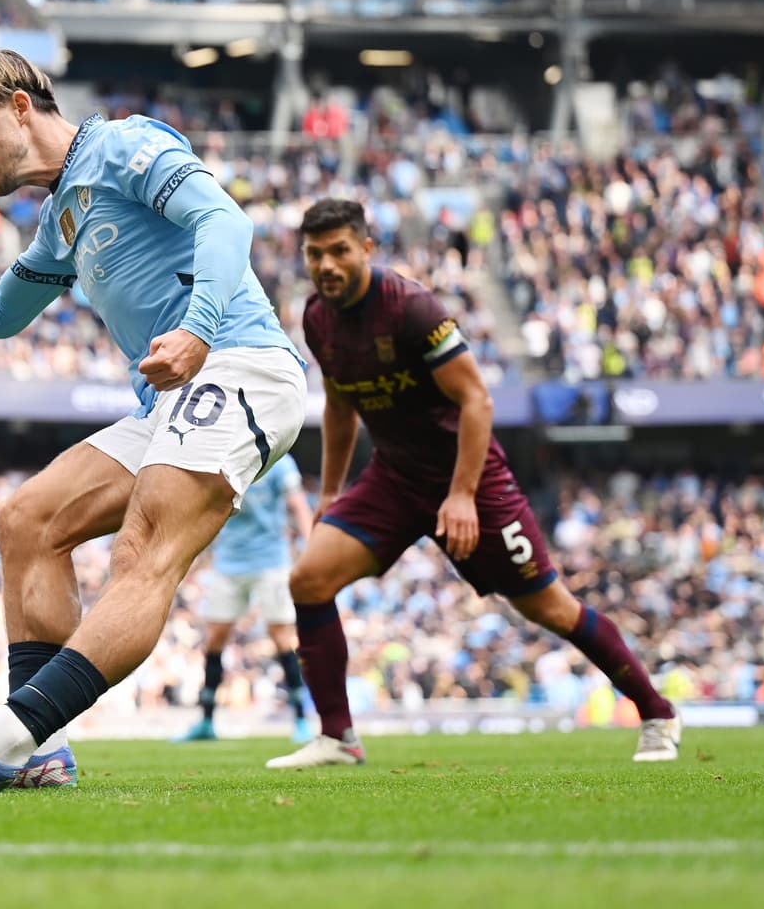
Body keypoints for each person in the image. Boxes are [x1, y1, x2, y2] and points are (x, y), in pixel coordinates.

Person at [0, 45, 306, 792]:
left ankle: (3, 737)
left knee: (143, 551)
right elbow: (1, 310)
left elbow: (224, 223)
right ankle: (39, 756)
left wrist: (201, 327)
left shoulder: (123, 145)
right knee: (28, 520)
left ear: (20, 105)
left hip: (238, 364)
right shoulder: (62, 215)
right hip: (171, 395)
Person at [267, 198, 680, 769]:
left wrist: (461, 494)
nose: (327, 265)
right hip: (394, 477)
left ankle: (657, 712)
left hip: (470, 476)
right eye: (315, 254)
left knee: (553, 611)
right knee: (309, 580)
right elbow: (341, 404)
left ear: (366, 248)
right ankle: (338, 738)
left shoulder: (411, 308)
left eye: (339, 251)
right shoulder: (317, 317)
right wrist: (332, 493)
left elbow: (476, 400)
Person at [174, 453, 313, 745]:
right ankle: (207, 722)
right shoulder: (224, 456)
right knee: (214, 640)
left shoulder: (281, 461)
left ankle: (301, 718)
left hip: (271, 560)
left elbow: (298, 505)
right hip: (229, 561)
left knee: (282, 638)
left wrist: (311, 548)